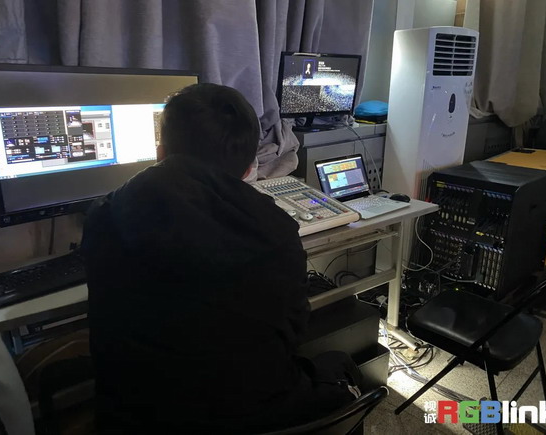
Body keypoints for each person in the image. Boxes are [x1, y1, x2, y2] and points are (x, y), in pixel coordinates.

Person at [81, 83, 361, 434]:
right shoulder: (278, 232)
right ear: (249, 168)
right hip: (250, 414)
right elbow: (292, 333)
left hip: (131, 415)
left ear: (160, 151)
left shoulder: (104, 215)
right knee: (340, 365)